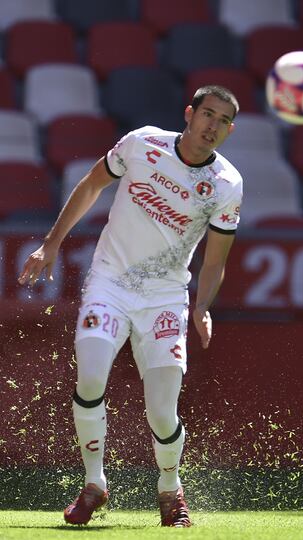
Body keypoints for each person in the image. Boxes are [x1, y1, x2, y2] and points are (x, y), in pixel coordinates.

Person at [18, 85, 243, 527]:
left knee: (162, 411)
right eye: (207, 114)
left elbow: (215, 261)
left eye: (222, 121)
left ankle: (169, 488)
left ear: (230, 131)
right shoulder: (142, 144)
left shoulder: (226, 185)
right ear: (189, 113)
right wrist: (51, 244)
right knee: (91, 374)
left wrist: (201, 307)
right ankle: (94, 483)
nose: (212, 126)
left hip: (164, 297)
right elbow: (90, 186)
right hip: (110, 283)